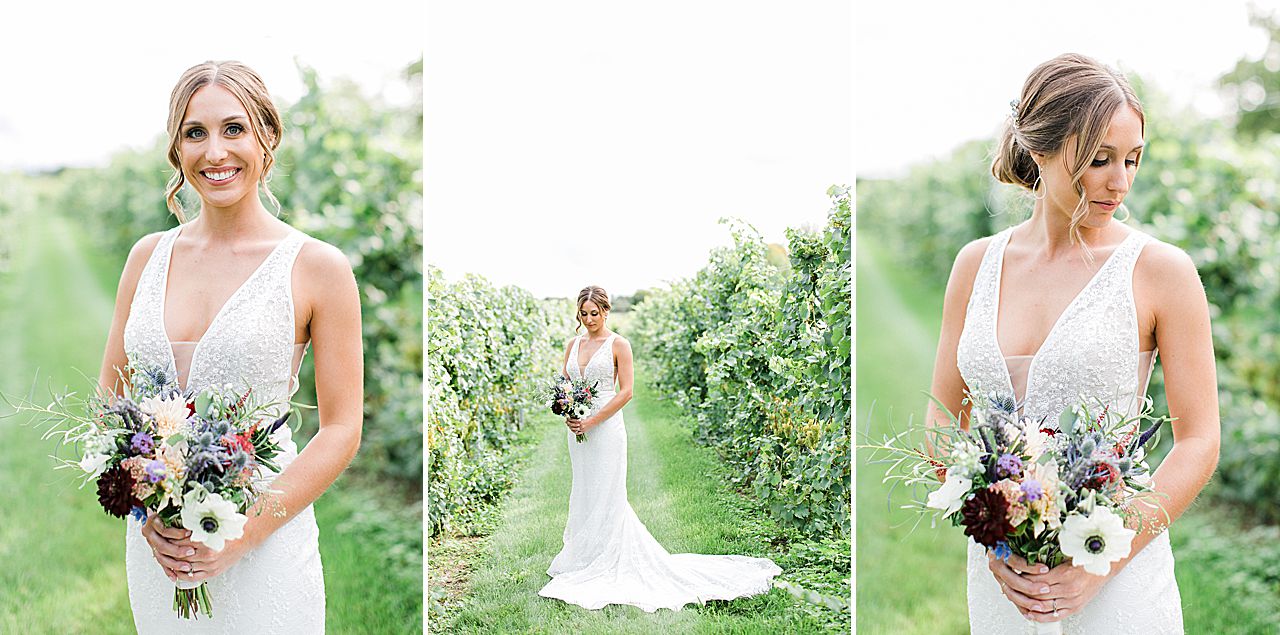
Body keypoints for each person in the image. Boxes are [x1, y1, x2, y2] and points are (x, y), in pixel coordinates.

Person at [927, 53, 1219, 633]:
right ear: (1040, 151)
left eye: (1132, 158)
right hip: (1003, 579)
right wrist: (995, 536)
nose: (1121, 181)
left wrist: (1101, 560)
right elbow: (941, 423)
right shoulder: (974, 266)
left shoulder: (1161, 271)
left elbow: (1199, 440)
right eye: (1098, 160)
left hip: (1117, 566)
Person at [96, 60, 364, 633]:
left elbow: (342, 428)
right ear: (177, 150)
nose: (215, 151)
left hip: (265, 540)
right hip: (159, 548)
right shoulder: (146, 257)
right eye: (195, 133)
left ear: (266, 136)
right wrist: (149, 512)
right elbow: (111, 396)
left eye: (234, 128)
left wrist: (241, 533)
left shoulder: (318, 267)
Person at [538, 285, 781, 611]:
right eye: (583, 314)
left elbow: (626, 392)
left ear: (606, 311)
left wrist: (593, 420)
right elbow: (566, 385)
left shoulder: (618, 345)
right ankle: (583, 556)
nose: (588, 319)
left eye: (594, 313)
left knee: (607, 491)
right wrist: (568, 411)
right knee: (584, 489)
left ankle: (608, 557)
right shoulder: (572, 344)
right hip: (577, 429)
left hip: (606, 428)